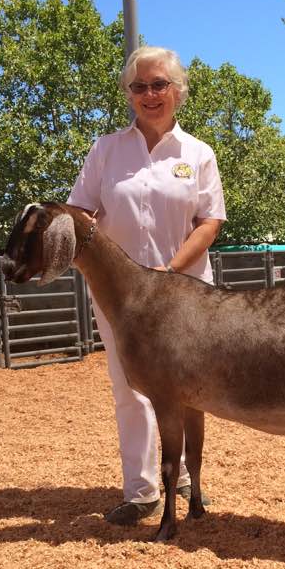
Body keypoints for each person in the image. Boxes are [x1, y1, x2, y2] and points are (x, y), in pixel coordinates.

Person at [66, 46, 226, 525]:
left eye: (159, 85)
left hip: (186, 294)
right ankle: (141, 491)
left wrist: (170, 269)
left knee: (189, 389)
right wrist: (84, 226)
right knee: (130, 388)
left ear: (178, 91)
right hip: (121, 298)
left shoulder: (197, 153)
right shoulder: (106, 149)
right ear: (129, 94)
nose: (150, 95)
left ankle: (181, 477)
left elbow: (209, 222)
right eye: (139, 87)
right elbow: (79, 211)